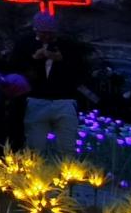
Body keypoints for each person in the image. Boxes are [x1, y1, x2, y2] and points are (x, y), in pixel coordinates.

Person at [11, 11, 94, 156]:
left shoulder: (68, 45)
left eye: (51, 33)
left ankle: (68, 173)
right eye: (43, 33)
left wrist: (62, 60)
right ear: (36, 30)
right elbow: (14, 67)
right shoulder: (24, 44)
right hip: (36, 100)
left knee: (67, 148)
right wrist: (33, 59)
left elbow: (81, 70)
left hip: (64, 100)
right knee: (35, 149)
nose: (47, 37)